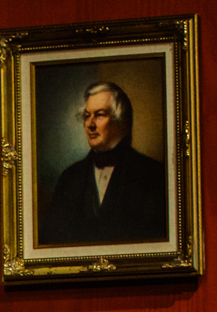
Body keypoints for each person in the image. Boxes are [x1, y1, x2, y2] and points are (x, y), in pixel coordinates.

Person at [40, 81, 170, 246]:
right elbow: (52, 240)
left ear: (121, 122)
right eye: (87, 116)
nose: (90, 125)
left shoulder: (152, 174)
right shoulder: (69, 178)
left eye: (100, 115)